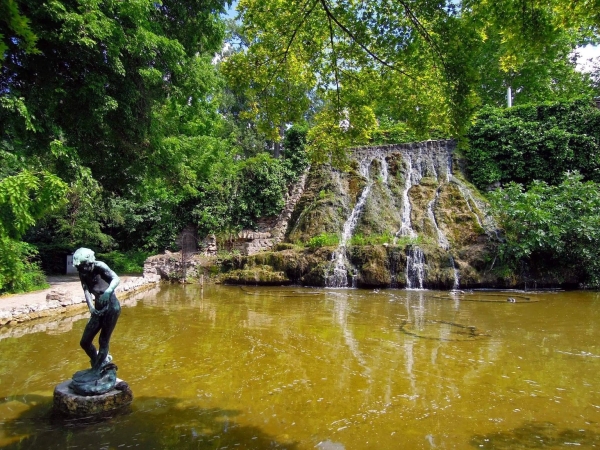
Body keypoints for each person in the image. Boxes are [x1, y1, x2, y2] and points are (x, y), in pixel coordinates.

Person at [72, 247, 121, 373]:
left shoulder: (100, 266)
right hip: (98, 308)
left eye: (82, 266)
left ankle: (97, 370)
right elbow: (86, 290)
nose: (80, 270)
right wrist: (91, 308)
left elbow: (116, 278)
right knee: (85, 342)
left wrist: (108, 292)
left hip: (111, 306)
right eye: (79, 268)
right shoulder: (82, 272)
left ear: (90, 263)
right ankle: (98, 363)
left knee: (103, 340)